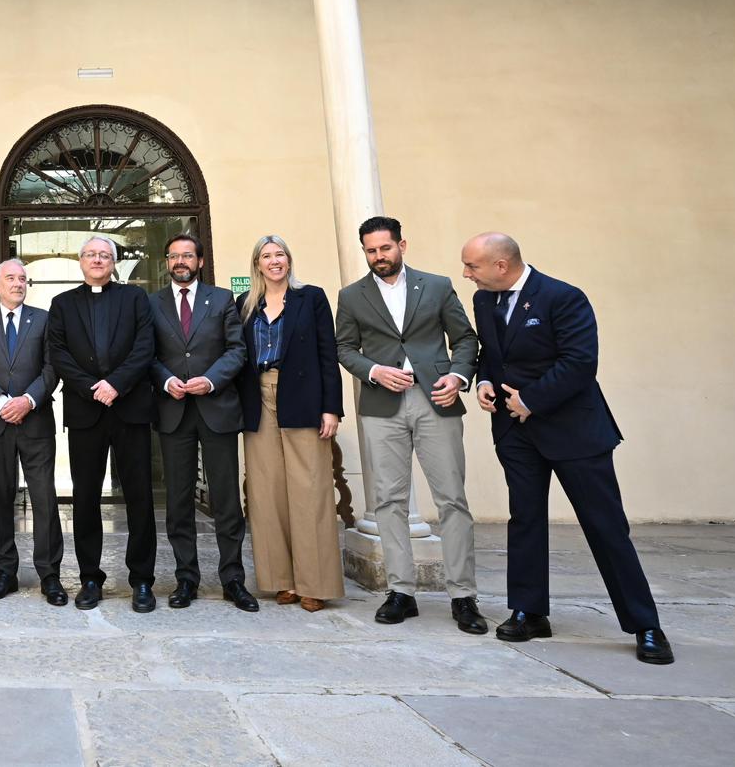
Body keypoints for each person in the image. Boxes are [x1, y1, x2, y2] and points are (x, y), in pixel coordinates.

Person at [461, 232, 673, 664]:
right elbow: (492, 354)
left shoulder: (563, 297)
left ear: (501, 265)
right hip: (515, 434)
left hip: (574, 431)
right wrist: (484, 382)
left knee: (605, 526)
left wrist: (531, 400)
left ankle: (645, 625)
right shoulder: (485, 301)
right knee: (525, 520)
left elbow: (579, 362)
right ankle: (529, 611)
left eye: (473, 266)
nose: (466, 274)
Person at [334, 217, 486, 634]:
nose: (378, 257)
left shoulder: (436, 286)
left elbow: (466, 339)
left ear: (402, 244)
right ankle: (401, 591)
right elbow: (344, 347)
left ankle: (463, 595)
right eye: (371, 250)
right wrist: (373, 371)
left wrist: (457, 377)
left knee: (452, 499)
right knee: (388, 500)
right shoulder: (352, 296)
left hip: (435, 398)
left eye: (385, 248)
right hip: (382, 403)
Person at [46, 235, 159, 613]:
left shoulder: (135, 299)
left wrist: (116, 384)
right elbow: (57, 352)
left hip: (130, 408)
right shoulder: (62, 304)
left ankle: (142, 580)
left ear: (114, 262)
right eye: (91, 254)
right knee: (85, 498)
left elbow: (145, 346)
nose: (97, 260)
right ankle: (90, 577)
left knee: (140, 497)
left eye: (105, 255)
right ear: (80, 261)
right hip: (85, 410)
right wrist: (92, 388)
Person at [235, 234, 345, 612]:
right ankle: (281, 580)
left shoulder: (311, 297)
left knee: (310, 491)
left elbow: (327, 354)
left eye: (279, 254)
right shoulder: (245, 305)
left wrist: (331, 408)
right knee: (267, 493)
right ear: (257, 264)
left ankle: (314, 583)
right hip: (258, 401)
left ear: (288, 260)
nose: (274, 261)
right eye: (266, 255)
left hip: (303, 400)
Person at [149, 233, 256, 612]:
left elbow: (236, 349)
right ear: (167, 262)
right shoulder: (153, 303)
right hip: (173, 410)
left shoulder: (223, 298)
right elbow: (148, 353)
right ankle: (186, 579)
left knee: (226, 501)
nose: (180, 261)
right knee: (178, 502)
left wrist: (210, 380)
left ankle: (233, 579)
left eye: (187, 255)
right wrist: (165, 379)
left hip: (217, 408)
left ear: (201, 261)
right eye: (174, 256)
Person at [0, 258, 64, 605]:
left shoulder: (45, 319)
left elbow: (53, 367)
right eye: (10, 278)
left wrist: (28, 401)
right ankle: (4, 571)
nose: (18, 283)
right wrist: (3, 401)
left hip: (35, 421)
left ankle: (50, 574)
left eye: (23, 278)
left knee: (44, 498)